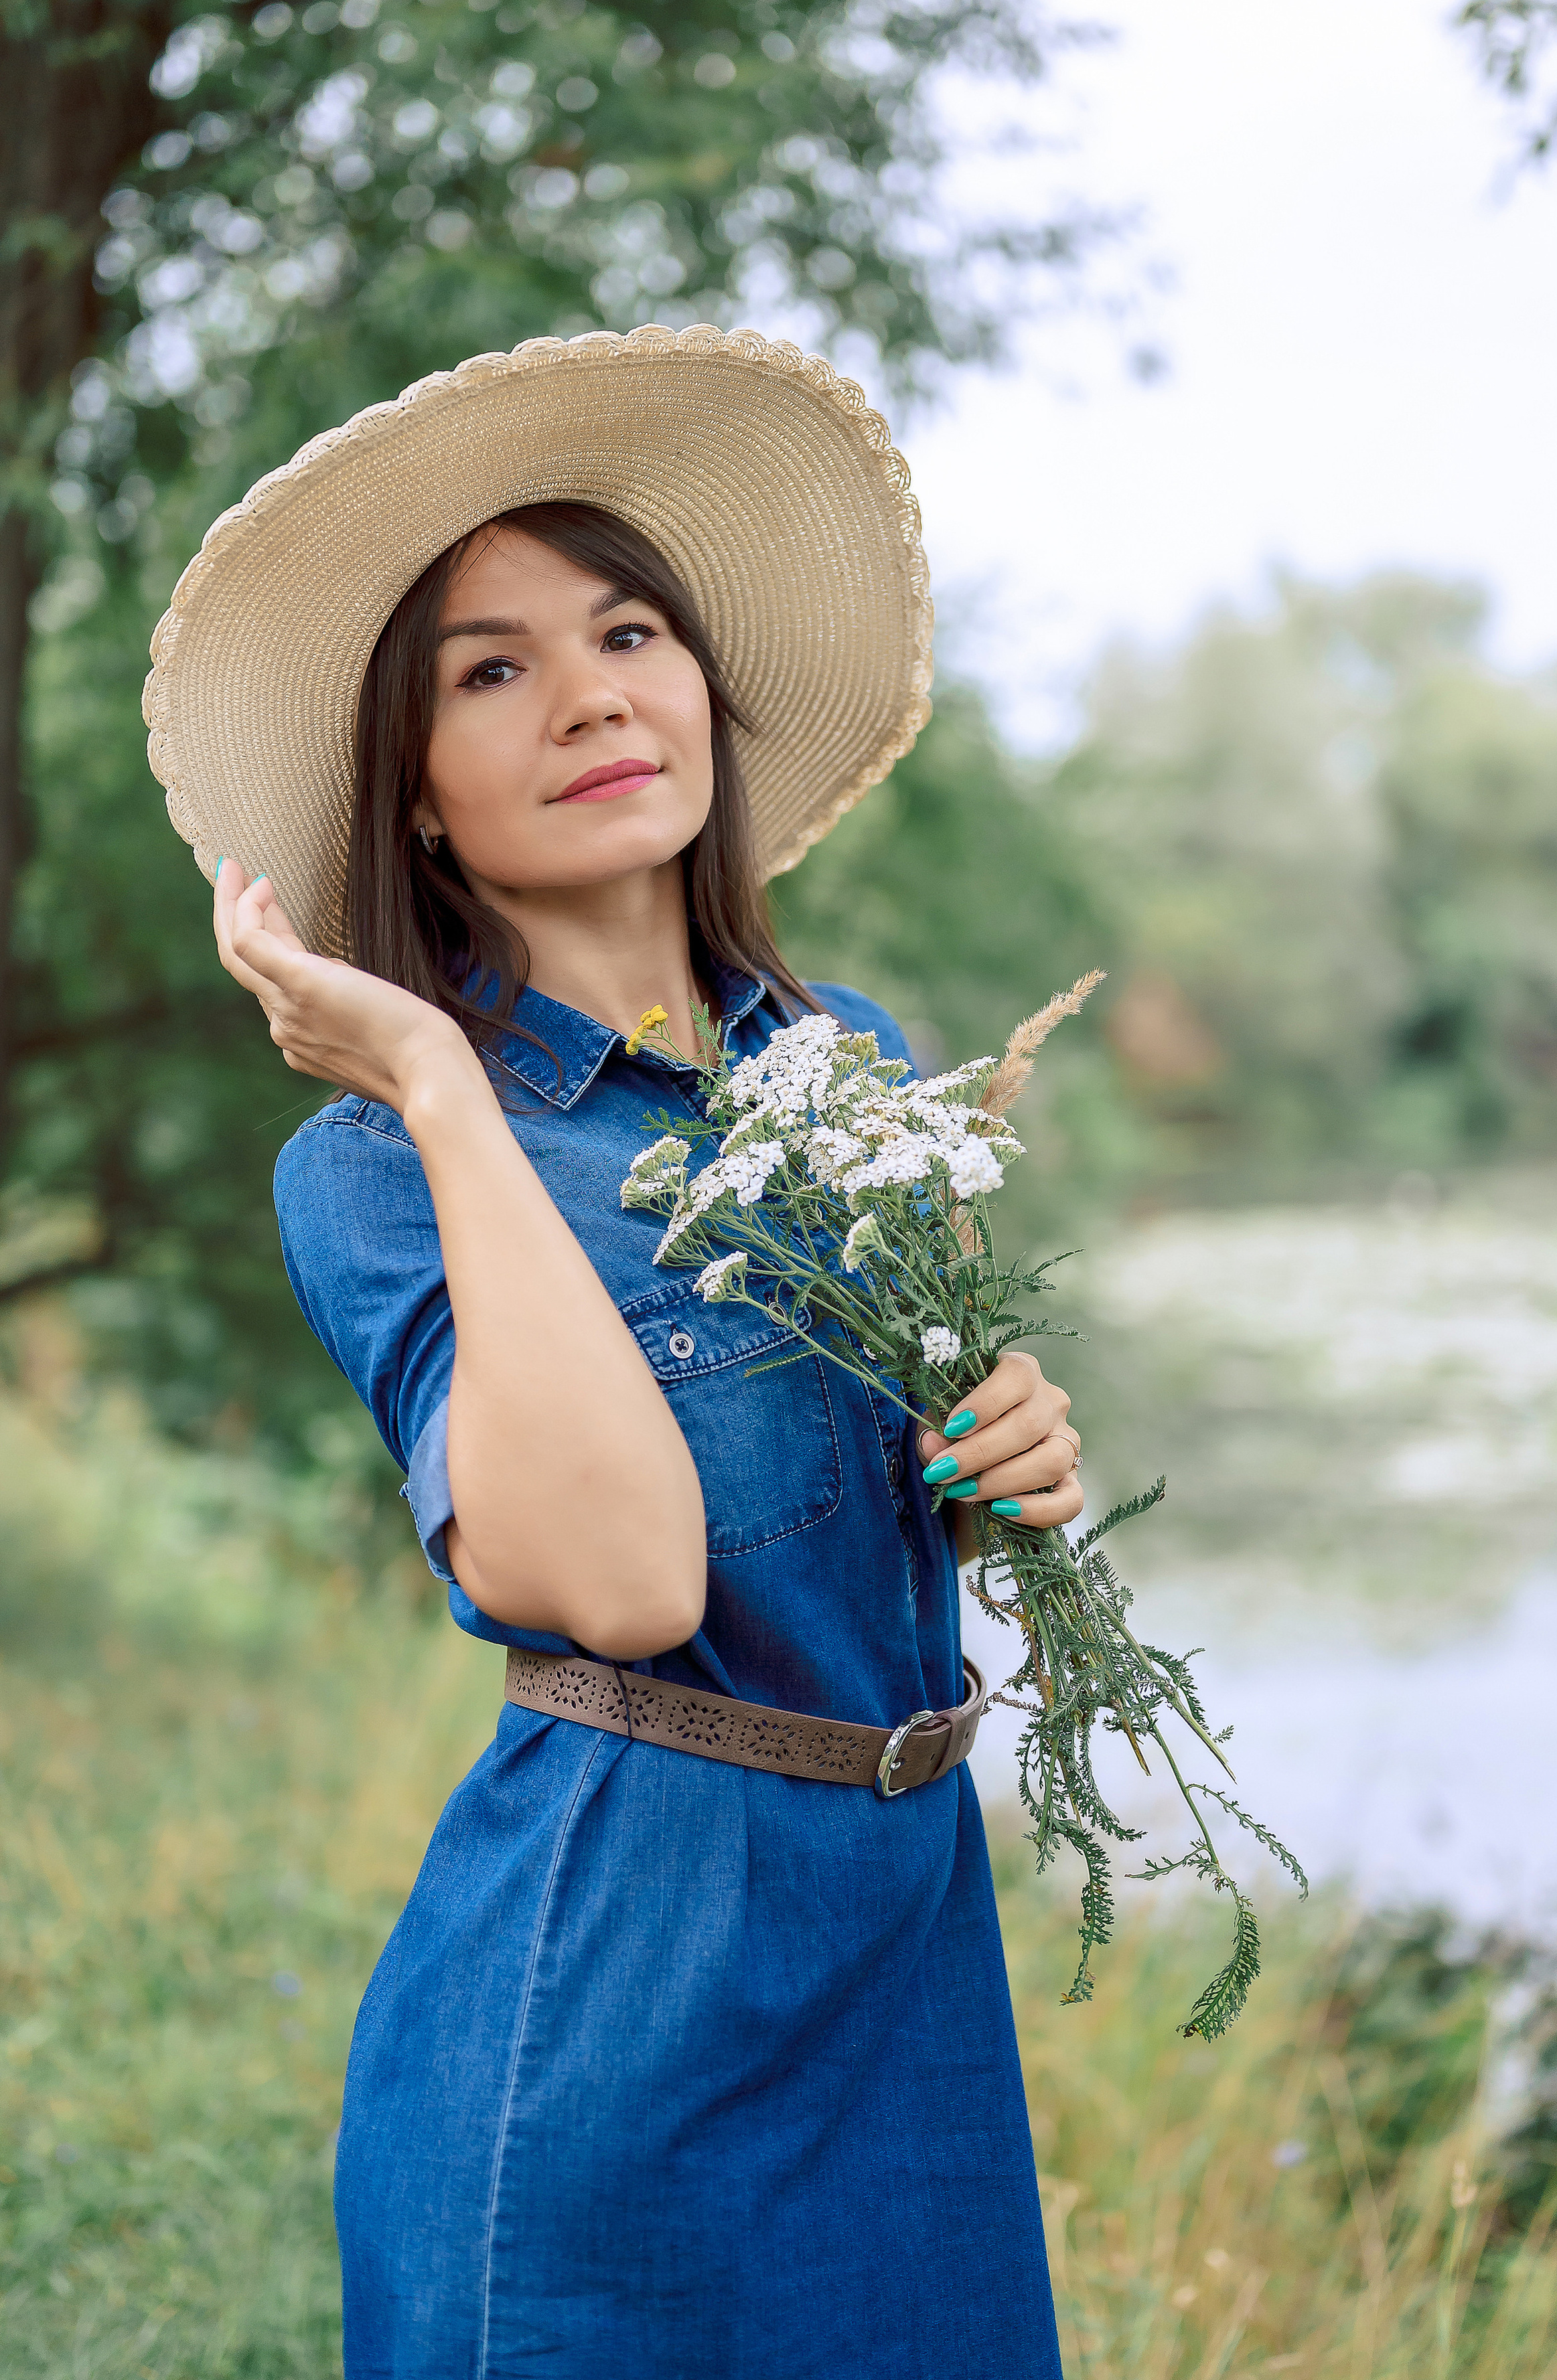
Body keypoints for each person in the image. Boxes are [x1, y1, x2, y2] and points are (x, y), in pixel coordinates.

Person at [143, 327, 1080, 2379]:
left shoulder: (846, 1069)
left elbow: (870, 1523)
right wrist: (438, 1079)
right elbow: (640, 1588)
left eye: (628, 629)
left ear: (702, 693)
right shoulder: (379, 1164)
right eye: (493, 670)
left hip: (904, 1966)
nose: (590, 694)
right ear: (421, 788)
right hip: (613, 2017)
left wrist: (1010, 1454)